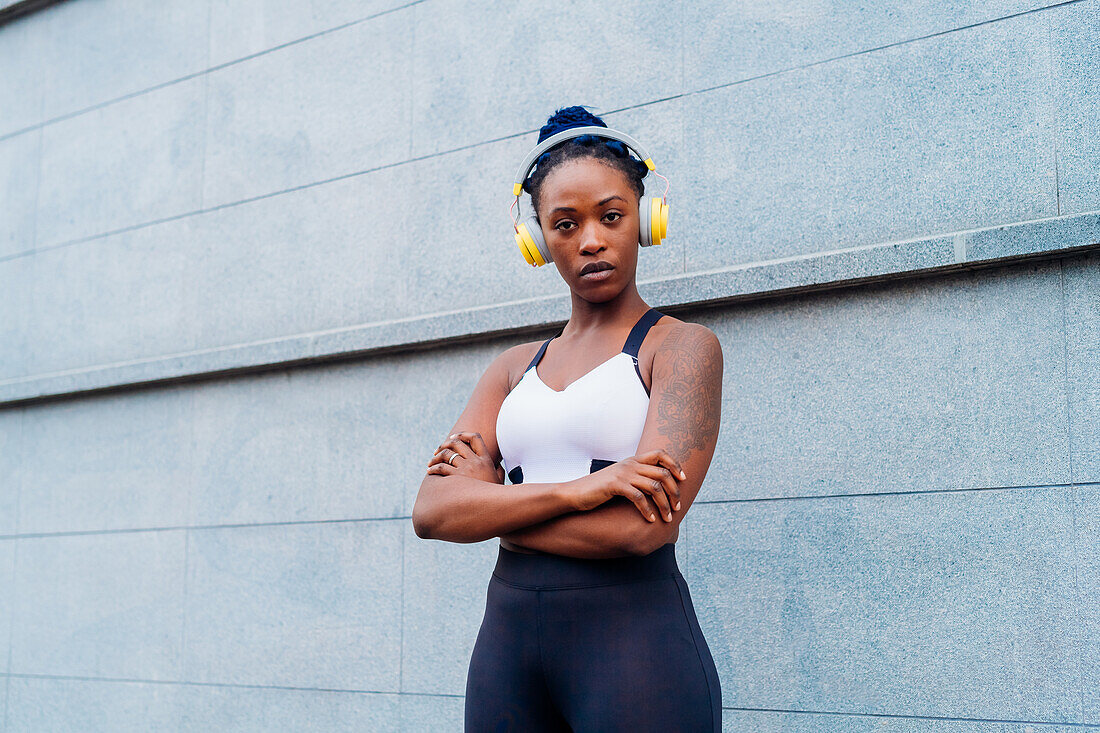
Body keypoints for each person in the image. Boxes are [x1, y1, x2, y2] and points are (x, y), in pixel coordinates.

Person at [411, 106, 723, 732]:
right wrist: (587, 489)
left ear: (646, 219)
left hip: (635, 648)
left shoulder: (680, 348)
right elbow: (432, 512)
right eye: (564, 223)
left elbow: (641, 532)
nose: (590, 239)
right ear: (537, 241)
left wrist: (494, 508)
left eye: (611, 216)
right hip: (505, 651)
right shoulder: (511, 369)